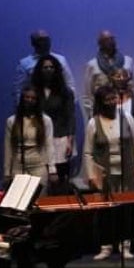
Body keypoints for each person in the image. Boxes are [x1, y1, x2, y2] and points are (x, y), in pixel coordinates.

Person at [84, 85, 134, 259]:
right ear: (101, 102)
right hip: (104, 173)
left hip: (127, 170)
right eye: (108, 99)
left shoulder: (126, 117)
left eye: (113, 98)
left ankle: (125, 245)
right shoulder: (93, 123)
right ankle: (106, 246)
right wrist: (91, 176)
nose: (112, 102)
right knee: (106, 210)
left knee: (125, 209)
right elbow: (88, 152)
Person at [30, 55, 76, 193]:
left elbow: (70, 116)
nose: (49, 70)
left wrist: (70, 140)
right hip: (38, 137)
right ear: (40, 70)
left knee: (59, 177)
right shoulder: (33, 91)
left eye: (51, 67)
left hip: (60, 137)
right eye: (45, 67)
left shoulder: (65, 91)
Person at [4, 85, 56, 186]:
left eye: (33, 98)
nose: (29, 100)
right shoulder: (12, 121)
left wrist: (52, 169)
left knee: (39, 199)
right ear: (22, 99)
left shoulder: (46, 120)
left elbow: (49, 145)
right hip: (18, 166)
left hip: (38, 165)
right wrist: (6, 173)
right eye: (27, 97)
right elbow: (8, 148)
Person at [82, 30, 134, 122]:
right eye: (106, 40)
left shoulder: (128, 61)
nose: (110, 42)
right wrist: (92, 115)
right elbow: (88, 94)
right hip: (102, 112)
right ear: (100, 43)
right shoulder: (92, 65)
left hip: (125, 109)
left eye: (112, 39)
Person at [14, 29, 75, 103]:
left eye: (47, 39)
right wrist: (21, 107)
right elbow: (20, 89)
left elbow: (69, 82)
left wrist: (71, 102)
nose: (45, 42)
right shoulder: (25, 63)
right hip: (36, 104)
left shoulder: (60, 59)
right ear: (33, 43)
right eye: (41, 40)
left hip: (58, 105)